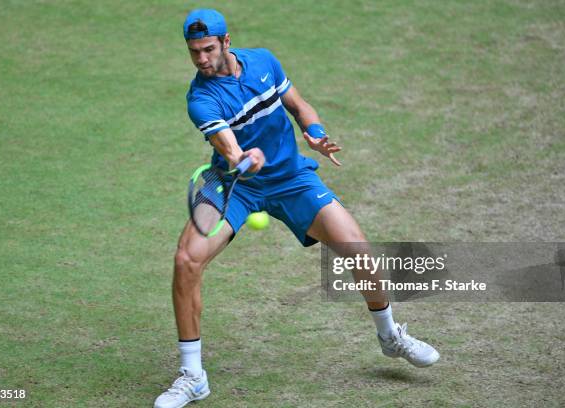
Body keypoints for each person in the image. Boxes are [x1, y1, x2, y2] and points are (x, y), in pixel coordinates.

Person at [154, 9, 439, 408]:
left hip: (292, 179)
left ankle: (391, 337)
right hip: (234, 186)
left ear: (226, 42)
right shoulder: (200, 99)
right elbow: (229, 149)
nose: (201, 59)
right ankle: (192, 376)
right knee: (186, 260)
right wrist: (244, 158)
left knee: (358, 248)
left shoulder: (264, 62)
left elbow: (300, 106)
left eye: (207, 49)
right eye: (193, 52)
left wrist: (316, 134)